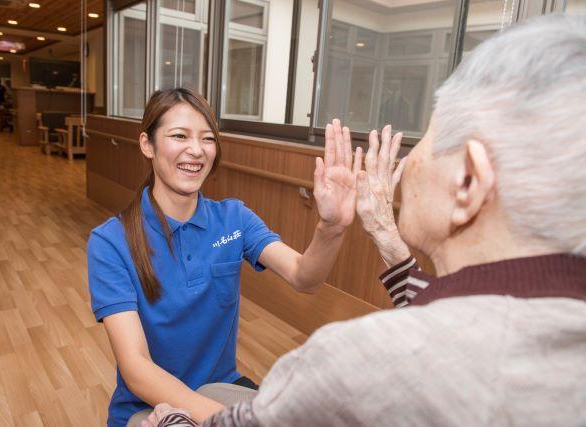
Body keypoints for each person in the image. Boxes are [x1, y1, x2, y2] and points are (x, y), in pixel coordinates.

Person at [142, 14, 586, 427]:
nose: (406, 165)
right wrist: (382, 230)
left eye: (423, 142)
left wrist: (165, 420)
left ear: (469, 180)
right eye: (178, 136)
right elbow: (459, 310)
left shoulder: (356, 359)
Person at [87, 88, 365, 426]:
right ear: (147, 144)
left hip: (220, 390)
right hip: (148, 407)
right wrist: (229, 421)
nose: (196, 150)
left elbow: (304, 277)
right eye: (179, 135)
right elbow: (137, 370)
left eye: (207, 139)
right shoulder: (109, 242)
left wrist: (332, 227)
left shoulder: (235, 218)